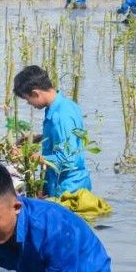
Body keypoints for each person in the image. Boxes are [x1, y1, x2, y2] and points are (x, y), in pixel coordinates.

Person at [13, 65, 91, 196]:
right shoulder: (66, 105)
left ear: (36, 93)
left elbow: (67, 161)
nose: (29, 104)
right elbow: (67, 137)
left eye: (27, 99)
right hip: (71, 184)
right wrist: (39, 138)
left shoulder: (60, 116)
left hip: (68, 190)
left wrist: (28, 156)